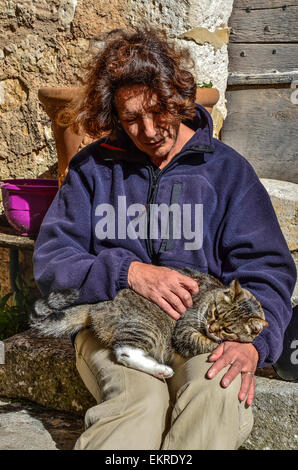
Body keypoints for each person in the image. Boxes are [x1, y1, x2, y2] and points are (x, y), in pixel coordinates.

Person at [33, 28, 296, 450]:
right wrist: (127, 271)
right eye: (131, 117)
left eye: (158, 111)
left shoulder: (227, 173)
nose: (149, 129)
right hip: (116, 327)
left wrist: (257, 345)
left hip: (203, 331)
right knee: (139, 401)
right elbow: (52, 262)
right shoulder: (93, 169)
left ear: (179, 97)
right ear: (114, 115)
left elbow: (268, 272)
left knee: (218, 392)